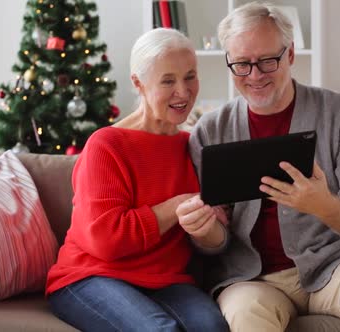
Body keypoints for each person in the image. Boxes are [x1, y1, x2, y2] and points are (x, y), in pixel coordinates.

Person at [181, 2, 340, 331]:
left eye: (268, 61)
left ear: (289, 56)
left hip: (334, 267)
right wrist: (205, 232)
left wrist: (323, 205)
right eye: (242, 64)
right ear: (230, 64)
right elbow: (217, 244)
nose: (255, 75)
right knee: (245, 313)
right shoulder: (210, 131)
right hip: (251, 280)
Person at [45, 28, 229, 332]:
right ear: (138, 83)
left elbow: (217, 240)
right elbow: (107, 242)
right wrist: (177, 206)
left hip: (166, 280)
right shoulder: (106, 145)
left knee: (213, 328)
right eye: (168, 81)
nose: (183, 92)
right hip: (92, 276)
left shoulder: (194, 145)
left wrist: (207, 229)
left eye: (190, 76)